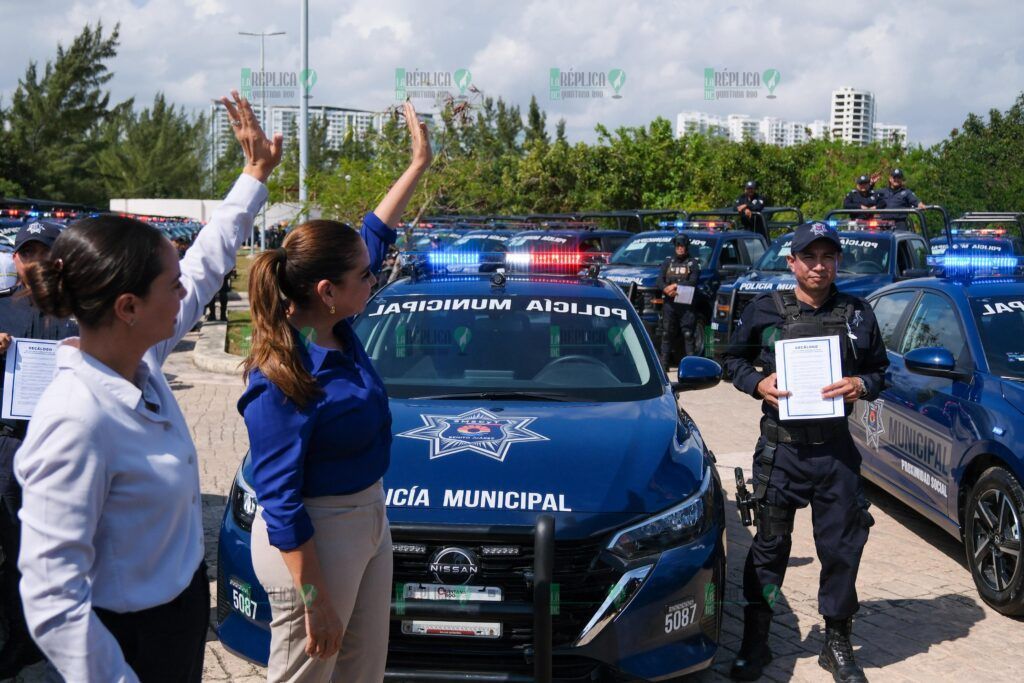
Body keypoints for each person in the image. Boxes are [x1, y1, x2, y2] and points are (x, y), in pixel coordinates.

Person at [14, 91, 281, 682]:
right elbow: (53, 600)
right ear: (129, 306)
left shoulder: (141, 358)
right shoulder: (76, 418)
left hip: (178, 618)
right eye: (170, 285)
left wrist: (253, 175)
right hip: (126, 646)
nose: (185, 293)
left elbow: (207, 262)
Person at [240, 99, 431, 683]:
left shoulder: (337, 322)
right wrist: (315, 594)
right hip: (316, 540)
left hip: (368, 517)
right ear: (326, 290)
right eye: (366, 276)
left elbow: (373, 234)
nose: (374, 277)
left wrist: (418, 162)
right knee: (307, 673)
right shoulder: (280, 374)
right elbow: (280, 500)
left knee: (361, 673)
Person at [723, 222, 888, 683]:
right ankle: (755, 639)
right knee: (769, 551)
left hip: (836, 454)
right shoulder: (765, 310)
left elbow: (879, 372)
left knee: (841, 550)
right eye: (809, 257)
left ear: (837, 262)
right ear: (791, 262)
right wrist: (756, 382)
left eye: (828, 257)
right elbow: (730, 360)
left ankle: (836, 642)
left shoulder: (858, 313)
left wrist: (861, 384)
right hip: (782, 454)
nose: (820, 265)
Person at [0, 220, 79, 678]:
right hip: (10, 444)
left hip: (66, 445)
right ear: (15, 260)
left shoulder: (84, 311)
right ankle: (21, 637)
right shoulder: (0, 312)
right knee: (13, 544)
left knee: (67, 542)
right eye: (25, 253)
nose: (32, 262)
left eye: (42, 253)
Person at [655, 233, 701, 369]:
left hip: (686, 304)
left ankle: (691, 366)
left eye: (682, 246)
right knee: (666, 333)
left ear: (687, 247)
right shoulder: (668, 261)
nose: (680, 248)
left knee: (688, 334)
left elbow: (693, 281)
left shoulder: (692, 263)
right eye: (678, 246)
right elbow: (659, 279)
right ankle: (664, 365)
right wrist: (665, 288)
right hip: (670, 304)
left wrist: (675, 286)